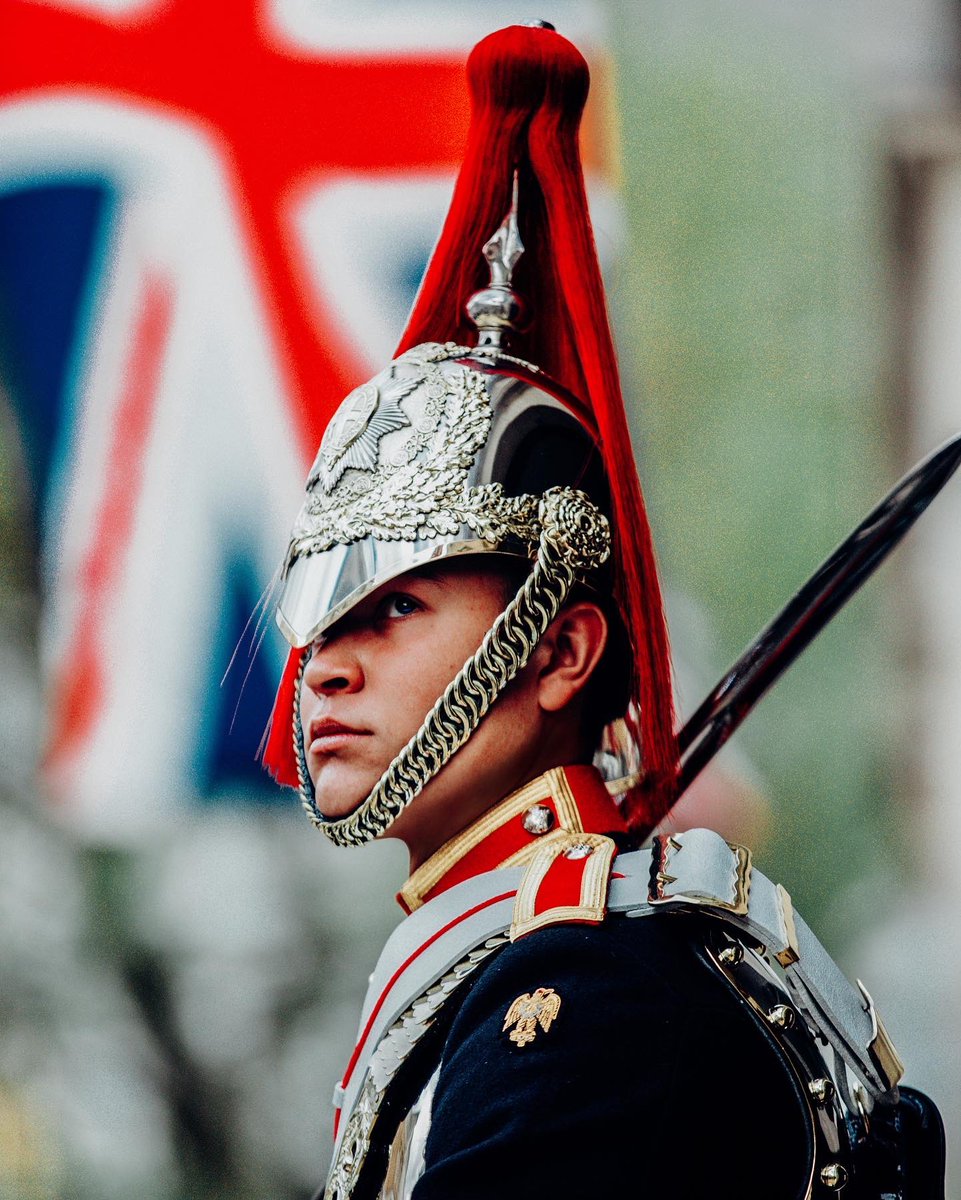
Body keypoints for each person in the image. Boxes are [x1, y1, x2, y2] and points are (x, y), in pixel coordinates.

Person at [263, 23, 944, 1200]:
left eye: (394, 607)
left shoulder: (585, 1001)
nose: (324, 667)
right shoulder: (510, 958)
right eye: (322, 619)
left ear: (562, 649)